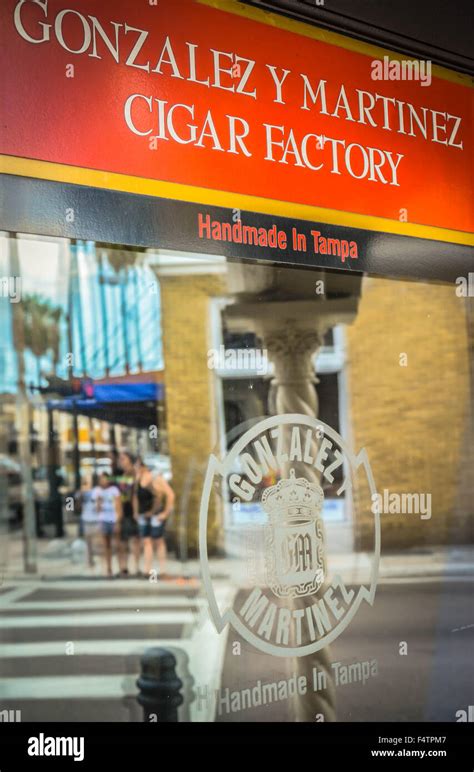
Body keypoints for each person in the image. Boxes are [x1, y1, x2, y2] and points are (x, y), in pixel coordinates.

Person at [133, 458, 175, 579]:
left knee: (158, 541)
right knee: (146, 541)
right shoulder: (138, 479)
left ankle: (162, 570)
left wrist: (165, 513)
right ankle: (148, 570)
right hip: (144, 515)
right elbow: (136, 496)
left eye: (138, 467)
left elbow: (171, 495)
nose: (136, 469)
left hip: (156, 515)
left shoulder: (157, 479)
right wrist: (136, 512)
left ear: (145, 467)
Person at [114, 451, 141, 577]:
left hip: (130, 511)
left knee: (132, 540)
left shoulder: (133, 474)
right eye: (120, 459)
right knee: (124, 541)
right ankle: (125, 568)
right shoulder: (124, 474)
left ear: (130, 460)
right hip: (125, 511)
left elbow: (134, 495)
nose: (121, 461)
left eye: (123, 459)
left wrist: (135, 513)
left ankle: (134, 568)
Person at [95, 472, 122, 578]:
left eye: (105, 479)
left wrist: (118, 522)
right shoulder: (97, 491)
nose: (103, 481)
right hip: (103, 519)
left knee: (117, 545)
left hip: (112, 519)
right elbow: (97, 510)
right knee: (106, 546)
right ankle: (108, 569)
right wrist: (99, 501)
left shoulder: (114, 490)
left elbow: (118, 506)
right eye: (101, 479)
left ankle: (120, 568)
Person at [76, 473, 99, 568]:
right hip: (85, 518)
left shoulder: (97, 491)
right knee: (87, 542)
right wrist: (80, 496)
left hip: (97, 518)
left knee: (97, 542)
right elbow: (72, 507)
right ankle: (89, 561)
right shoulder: (79, 492)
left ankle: (98, 560)